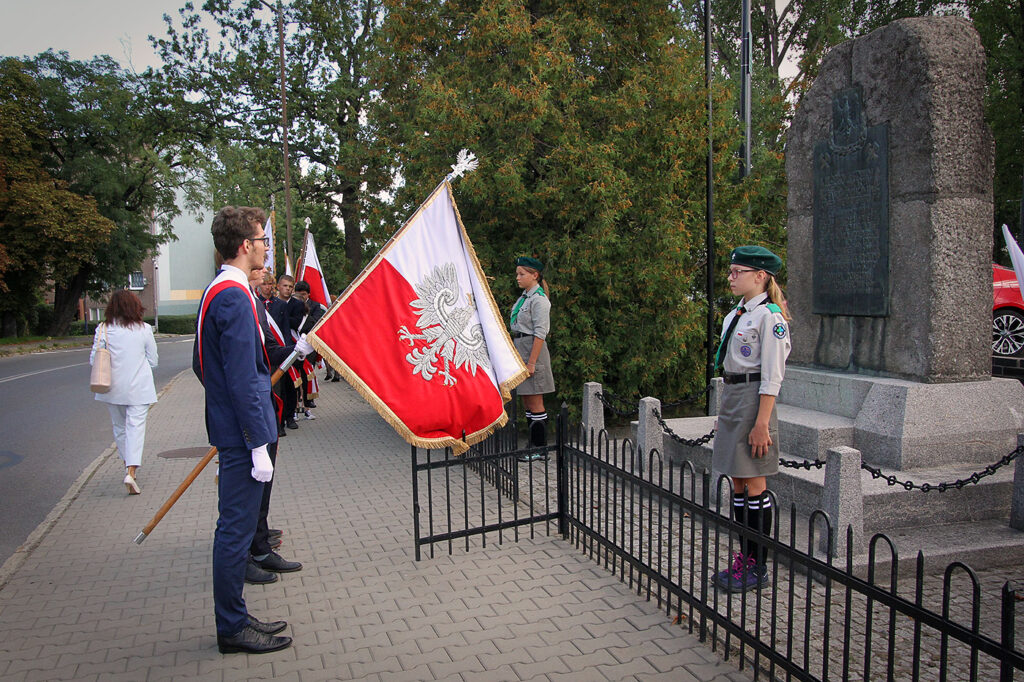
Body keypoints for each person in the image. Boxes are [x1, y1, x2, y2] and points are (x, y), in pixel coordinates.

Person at [193, 206, 291, 654]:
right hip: (243, 436)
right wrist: (255, 442)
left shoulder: (224, 289)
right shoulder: (232, 294)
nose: (266, 247)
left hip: (236, 429)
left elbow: (203, 365)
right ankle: (231, 627)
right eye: (262, 240)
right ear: (244, 245)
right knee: (234, 531)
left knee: (235, 527)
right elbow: (240, 378)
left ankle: (235, 614)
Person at [711, 245, 791, 594]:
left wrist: (762, 423)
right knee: (739, 486)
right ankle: (744, 557)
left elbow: (772, 376)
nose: (731, 277)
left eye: (737, 272)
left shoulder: (770, 318)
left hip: (755, 400)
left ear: (760, 276)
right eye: (730, 271)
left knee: (755, 485)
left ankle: (758, 566)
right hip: (733, 397)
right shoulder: (736, 315)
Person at [245, 265, 306, 585]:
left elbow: (269, 350)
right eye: (260, 274)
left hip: (263, 402)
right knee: (248, 488)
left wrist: (296, 351)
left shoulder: (253, 302)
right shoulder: (232, 297)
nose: (267, 282)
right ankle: (251, 549)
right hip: (248, 412)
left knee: (261, 486)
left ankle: (259, 539)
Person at [90, 290, 158, 495]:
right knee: (135, 428)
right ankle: (131, 471)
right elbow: (153, 360)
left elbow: (94, 359)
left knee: (119, 428)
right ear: (135, 306)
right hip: (139, 388)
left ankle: (127, 466)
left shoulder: (103, 329)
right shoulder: (144, 329)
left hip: (111, 388)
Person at [509, 256, 554, 462]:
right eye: (517, 273)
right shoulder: (524, 298)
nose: (517, 277)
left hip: (532, 351)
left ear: (534, 275)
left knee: (536, 402)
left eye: (522, 274)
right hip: (521, 348)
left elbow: (540, 333)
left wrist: (532, 362)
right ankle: (533, 444)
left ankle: (540, 448)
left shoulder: (539, 300)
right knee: (528, 402)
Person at [293, 281, 325, 411]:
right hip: (295, 343)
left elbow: (316, 323)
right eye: (299, 294)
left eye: (304, 295)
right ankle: (297, 400)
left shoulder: (316, 306)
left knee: (307, 373)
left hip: (309, 346)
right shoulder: (291, 305)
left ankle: (308, 399)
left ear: (309, 294)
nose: (302, 297)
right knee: (295, 375)